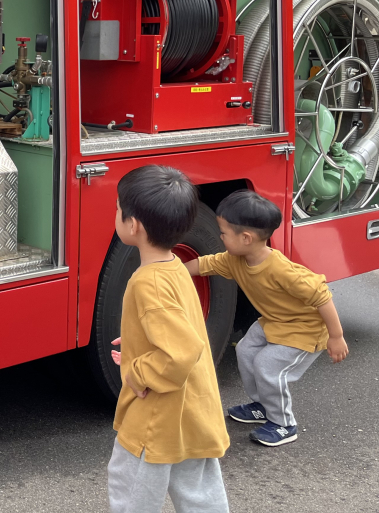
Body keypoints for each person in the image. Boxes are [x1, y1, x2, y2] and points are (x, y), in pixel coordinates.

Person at [183, 189, 348, 447]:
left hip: (305, 330)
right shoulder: (235, 259)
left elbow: (322, 296)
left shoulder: (282, 270)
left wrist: (336, 337)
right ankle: (262, 406)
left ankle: (284, 424)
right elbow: (204, 265)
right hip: (274, 321)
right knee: (245, 351)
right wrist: (171, 271)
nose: (220, 237)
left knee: (268, 366)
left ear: (246, 238)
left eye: (223, 233)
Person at [108, 165, 229, 513]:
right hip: (194, 410)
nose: (115, 213)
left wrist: (138, 371)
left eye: (117, 208)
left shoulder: (148, 282)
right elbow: (179, 328)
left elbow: (180, 352)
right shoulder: (174, 266)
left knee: (130, 490)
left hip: (156, 418)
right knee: (199, 496)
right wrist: (139, 340)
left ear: (134, 226)